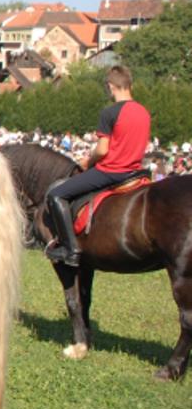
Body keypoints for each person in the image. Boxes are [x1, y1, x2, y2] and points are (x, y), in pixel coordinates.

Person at [44, 65, 151, 267]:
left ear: (111, 86)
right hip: (136, 172)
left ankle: (71, 249)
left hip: (112, 171)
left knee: (56, 194)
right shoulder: (144, 112)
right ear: (130, 84)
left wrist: (86, 161)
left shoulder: (110, 112)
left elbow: (102, 150)